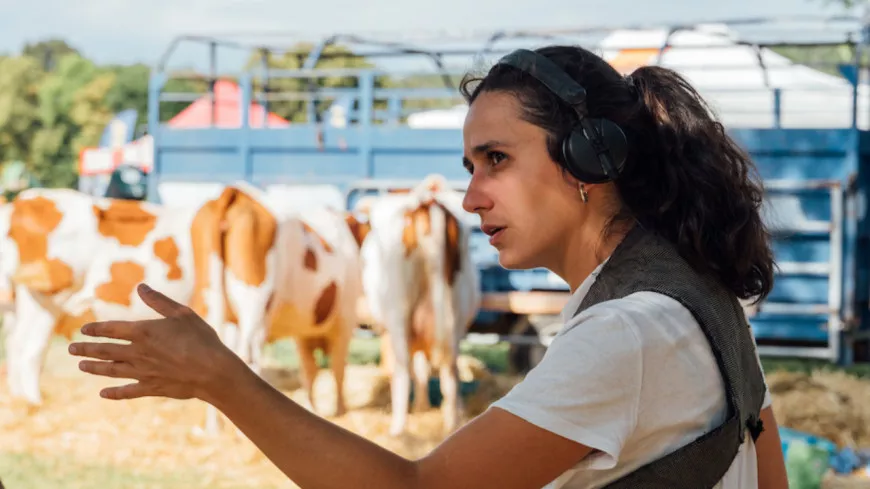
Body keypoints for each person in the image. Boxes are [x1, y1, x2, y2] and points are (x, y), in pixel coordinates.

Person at [68, 44, 789, 489]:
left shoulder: (629, 331)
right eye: (470, 166)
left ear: (589, 160)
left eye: (497, 161)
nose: (471, 197)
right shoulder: (692, 292)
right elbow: (765, 452)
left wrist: (223, 380)